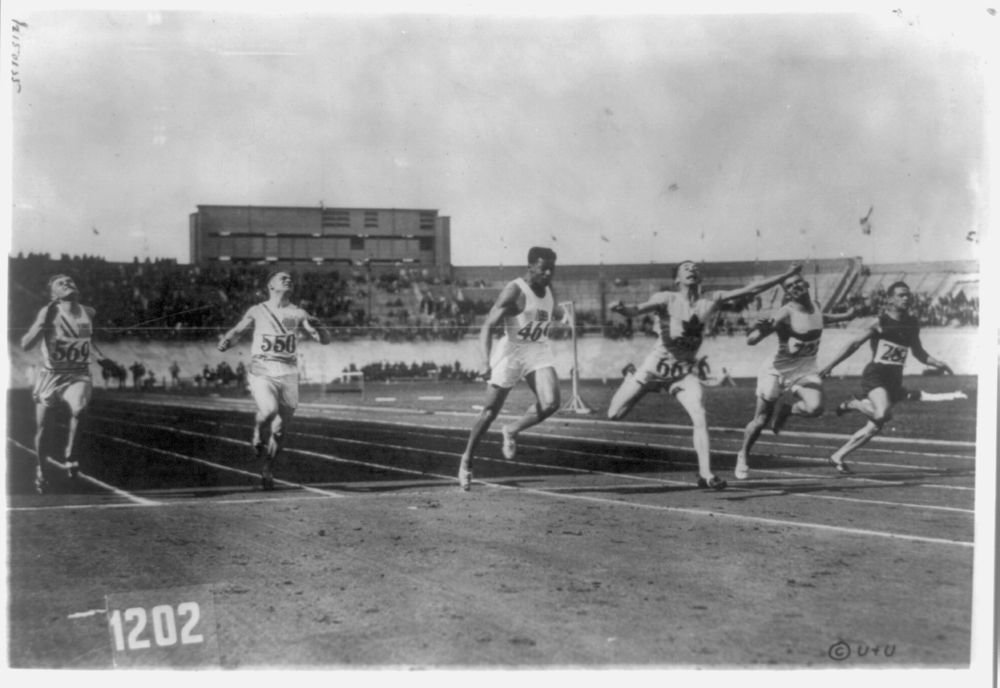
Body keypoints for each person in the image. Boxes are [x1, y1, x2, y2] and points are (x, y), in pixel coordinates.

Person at [607, 260, 802, 490]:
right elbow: (635, 310)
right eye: (686, 268)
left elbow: (751, 289)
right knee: (614, 415)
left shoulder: (712, 299)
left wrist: (785, 275)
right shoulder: (666, 298)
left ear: (700, 278)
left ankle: (706, 474)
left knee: (700, 415)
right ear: (677, 279)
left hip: (682, 373)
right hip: (654, 369)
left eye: (694, 268)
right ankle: (635, 379)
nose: (691, 270)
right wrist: (621, 309)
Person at [457, 247, 565, 491]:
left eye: (552, 269)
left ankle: (512, 430)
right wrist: (485, 362)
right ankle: (466, 460)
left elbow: (546, 311)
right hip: (512, 351)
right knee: (489, 412)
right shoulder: (515, 290)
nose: (548, 274)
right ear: (530, 267)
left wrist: (562, 314)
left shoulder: (549, 289)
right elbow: (487, 326)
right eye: (543, 269)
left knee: (551, 403)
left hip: (537, 349)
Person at [818, 281, 953, 473]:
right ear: (890, 299)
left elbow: (919, 353)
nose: (906, 298)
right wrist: (831, 365)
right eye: (901, 295)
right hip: (876, 375)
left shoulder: (912, 323)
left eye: (908, 295)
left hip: (894, 380)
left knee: (874, 427)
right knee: (882, 413)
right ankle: (855, 404)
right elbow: (854, 344)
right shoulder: (880, 322)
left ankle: (837, 456)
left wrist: (938, 363)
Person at [734, 273, 856, 479]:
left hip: (804, 368)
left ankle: (788, 410)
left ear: (806, 284)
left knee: (816, 408)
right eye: (790, 286)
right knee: (761, 419)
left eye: (798, 282)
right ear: (788, 292)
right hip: (777, 370)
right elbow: (752, 340)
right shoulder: (785, 312)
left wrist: (847, 316)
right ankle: (743, 454)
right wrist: (760, 331)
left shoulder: (815, 305)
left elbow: (821, 318)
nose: (796, 287)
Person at [218, 271, 329, 490]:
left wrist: (321, 328)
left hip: (288, 373)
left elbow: (324, 339)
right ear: (270, 286)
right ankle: (258, 432)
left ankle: (267, 469)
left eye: (290, 278)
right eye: (282, 278)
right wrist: (226, 341)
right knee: (268, 411)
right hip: (263, 370)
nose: (288, 280)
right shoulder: (258, 310)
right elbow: (239, 330)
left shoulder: (298, 313)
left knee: (280, 430)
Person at [20, 275, 111, 492]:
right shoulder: (48, 312)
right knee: (44, 429)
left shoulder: (87, 312)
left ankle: (71, 453)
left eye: (70, 280)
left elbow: (85, 341)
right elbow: (25, 345)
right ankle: (41, 470)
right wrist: (43, 323)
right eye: (60, 283)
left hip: (78, 374)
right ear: (54, 293)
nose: (67, 283)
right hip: (51, 376)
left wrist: (102, 359)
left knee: (79, 408)